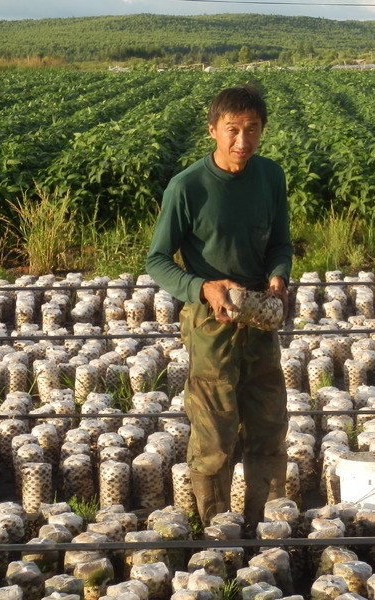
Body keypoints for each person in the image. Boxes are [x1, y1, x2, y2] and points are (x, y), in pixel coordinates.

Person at [145, 84, 292, 528]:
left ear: (262, 131)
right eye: (232, 130)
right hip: (213, 320)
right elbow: (156, 261)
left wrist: (278, 276)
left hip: (260, 315)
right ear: (213, 131)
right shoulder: (187, 188)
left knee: (268, 422)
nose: (242, 141)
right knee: (214, 431)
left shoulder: (270, 176)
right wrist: (203, 287)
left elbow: (281, 243)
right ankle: (217, 533)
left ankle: (264, 530)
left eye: (252, 130)